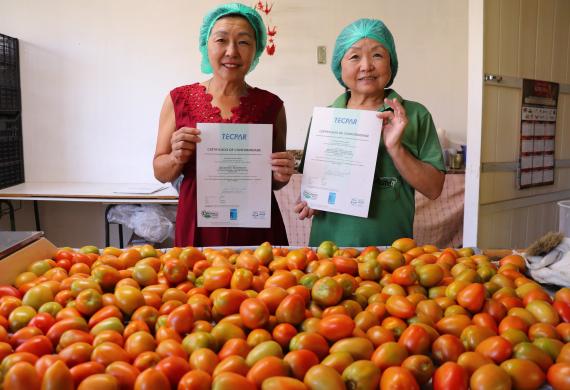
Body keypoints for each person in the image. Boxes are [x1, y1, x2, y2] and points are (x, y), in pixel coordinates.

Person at [295, 18, 445, 247]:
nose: (366, 66)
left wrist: (396, 148)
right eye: (354, 56)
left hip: (390, 255)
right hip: (328, 252)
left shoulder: (414, 115)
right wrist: (311, 198)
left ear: (391, 63)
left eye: (377, 55)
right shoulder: (324, 119)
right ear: (339, 66)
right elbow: (314, 184)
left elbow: (433, 189)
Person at [153, 3, 294, 247]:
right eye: (221, 40)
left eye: (243, 42)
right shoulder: (179, 99)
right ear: (206, 46)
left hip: (256, 227)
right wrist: (176, 157)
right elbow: (159, 171)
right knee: (196, 284)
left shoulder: (272, 106)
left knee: (258, 283)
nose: (232, 51)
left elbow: (275, 180)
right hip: (198, 223)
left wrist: (282, 173)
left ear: (256, 49)